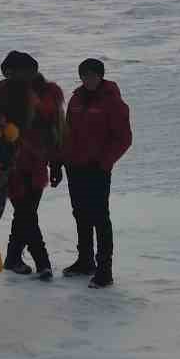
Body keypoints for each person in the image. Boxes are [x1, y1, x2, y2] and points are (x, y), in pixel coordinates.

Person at [59, 58, 132, 287]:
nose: (87, 79)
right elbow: (66, 131)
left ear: (100, 76)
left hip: (97, 169)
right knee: (80, 214)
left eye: (91, 75)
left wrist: (104, 162)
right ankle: (85, 260)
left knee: (100, 217)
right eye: (84, 75)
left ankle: (104, 270)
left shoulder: (113, 102)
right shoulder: (76, 99)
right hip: (75, 167)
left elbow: (123, 138)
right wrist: (61, 160)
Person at [0, 51, 65, 280]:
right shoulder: (3, 92)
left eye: (14, 71)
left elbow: (57, 132)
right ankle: (42, 262)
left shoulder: (49, 94)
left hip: (37, 164)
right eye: (8, 72)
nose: (10, 76)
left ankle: (13, 258)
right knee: (26, 213)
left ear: (30, 71)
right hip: (11, 163)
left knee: (26, 213)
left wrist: (55, 165)